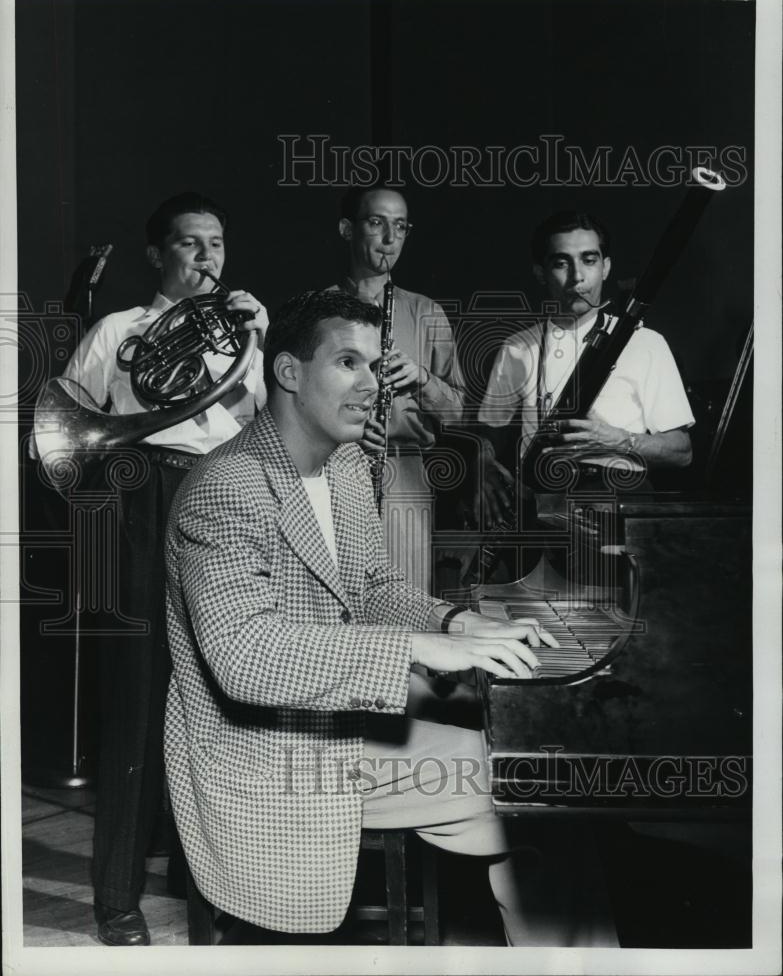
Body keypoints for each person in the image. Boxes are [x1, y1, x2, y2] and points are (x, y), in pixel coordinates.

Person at [164, 288, 618, 947]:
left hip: (334, 712)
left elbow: (373, 585)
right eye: (347, 362)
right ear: (288, 373)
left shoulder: (343, 464)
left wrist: (455, 625)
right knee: (532, 780)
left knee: (538, 768)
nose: (371, 384)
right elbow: (244, 658)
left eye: (376, 366)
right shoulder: (225, 486)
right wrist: (415, 649)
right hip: (266, 748)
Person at [59, 192, 268, 946]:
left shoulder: (244, 332)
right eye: (189, 244)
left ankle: (210, 889)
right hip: (142, 494)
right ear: (158, 256)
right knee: (137, 702)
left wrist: (260, 342)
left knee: (218, 694)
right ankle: (117, 899)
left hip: (219, 496)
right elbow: (61, 428)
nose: (207, 256)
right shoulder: (119, 331)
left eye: (215, 242)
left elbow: (267, 433)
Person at [476, 210, 694, 537]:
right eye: (561, 263)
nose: (577, 277)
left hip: (619, 504)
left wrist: (620, 439)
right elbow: (489, 431)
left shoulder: (645, 343)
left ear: (605, 267)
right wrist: (483, 467)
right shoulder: (517, 347)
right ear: (540, 272)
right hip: (539, 505)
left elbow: (682, 452)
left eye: (589, 260)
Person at [334, 186, 465, 593]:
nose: (391, 239)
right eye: (376, 223)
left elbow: (458, 412)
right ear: (346, 229)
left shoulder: (426, 312)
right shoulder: (317, 310)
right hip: (333, 472)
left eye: (401, 227)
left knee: (405, 606)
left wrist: (422, 379)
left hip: (405, 476)